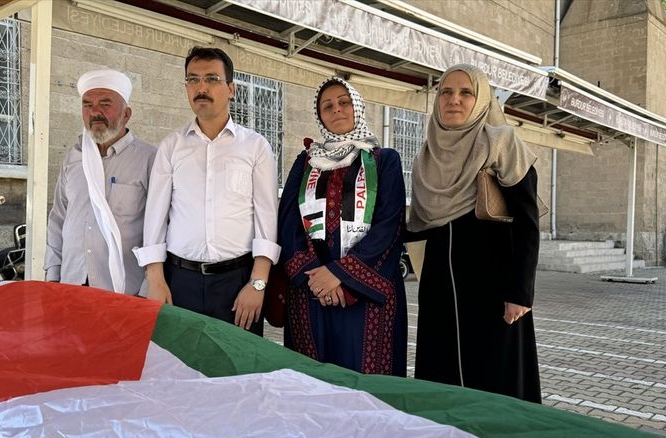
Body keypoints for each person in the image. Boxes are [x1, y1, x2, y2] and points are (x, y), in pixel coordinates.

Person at [408, 64, 541, 403]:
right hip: (440, 285)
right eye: (446, 92)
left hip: (493, 287)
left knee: (495, 381)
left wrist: (520, 292)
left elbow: (527, 222)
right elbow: (418, 225)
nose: (454, 100)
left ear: (481, 99)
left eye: (466, 92)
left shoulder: (501, 142)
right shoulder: (426, 156)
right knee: (442, 377)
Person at [134, 47, 279, 335]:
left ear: (231, 89)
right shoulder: (172, 146)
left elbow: (266, 218)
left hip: (237, 284)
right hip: (180, 283)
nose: (201, 88)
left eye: (212, 79)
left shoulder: (255, 147)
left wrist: (258, 284)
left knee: (238, 362)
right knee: (180, 361)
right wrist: (156, 280)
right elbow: (155, 217)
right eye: (193, 80)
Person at [277, 77, 408, 375]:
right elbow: (288, 220)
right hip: (311, 291)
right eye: (327, 106)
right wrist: (316, 276)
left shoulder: (384, 160)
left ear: (357, 107)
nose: (336, 109)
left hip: (365, 296)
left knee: (365, 383)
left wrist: (340, 274)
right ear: (320, 116)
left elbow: (389, 225)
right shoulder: (306, 162)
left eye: (343, 102)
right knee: (313, 381)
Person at [45, 69, 157, 296]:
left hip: (124, 292)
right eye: (87, 105)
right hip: (71, 284)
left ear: (126, 114)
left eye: (105, 104)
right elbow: (58, 219)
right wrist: (53, 276)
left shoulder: (149, 159)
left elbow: (158, 230)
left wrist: (146, 291)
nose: (95, 112)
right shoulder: (74, 157)